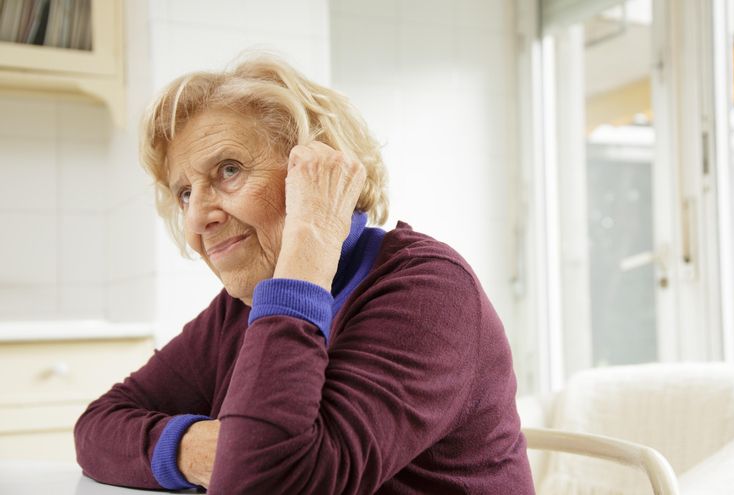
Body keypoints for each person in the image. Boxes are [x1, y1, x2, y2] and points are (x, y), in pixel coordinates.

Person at [73, 54, 534, 494]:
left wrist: (311, 235)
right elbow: (98, 425)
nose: (197, 218)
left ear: (316, 171)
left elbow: (268, 483)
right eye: (185, 194)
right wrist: (193, 450)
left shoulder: (430, 291)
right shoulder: (244, 306)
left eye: (228, 170)